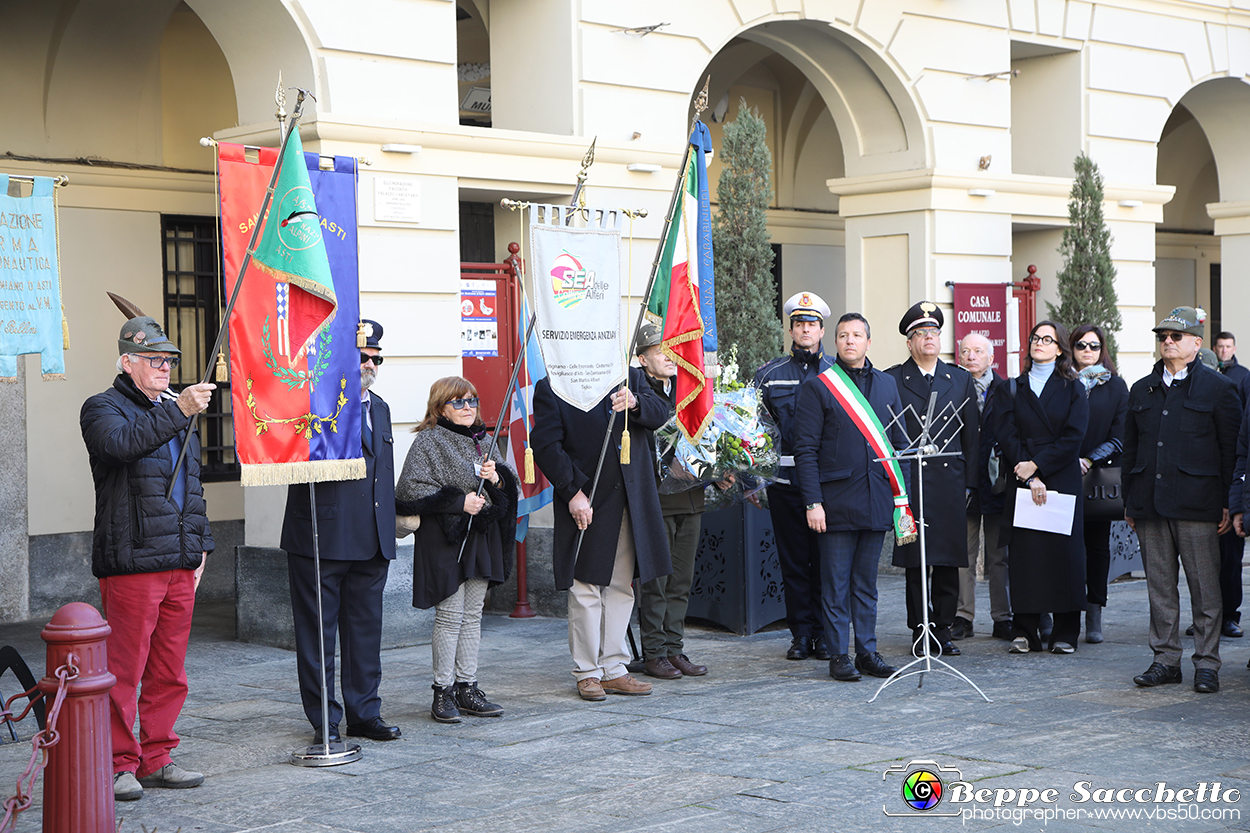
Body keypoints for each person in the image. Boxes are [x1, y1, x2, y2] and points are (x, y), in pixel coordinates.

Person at [80, 316, 215, 801]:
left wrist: (202, 544)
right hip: (135, 559)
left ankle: (157, 757)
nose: (164, 367)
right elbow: (121, 447)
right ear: (127, 362)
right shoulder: (103, 408)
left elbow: (191, 486)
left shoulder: (176, 411)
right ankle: (119, 763)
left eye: (169, 360)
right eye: (154, 359)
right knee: (124, 668)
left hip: (179, 558)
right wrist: (178, 408)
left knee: (169, 670)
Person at [280, 319, 401, 743]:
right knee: (317, 637)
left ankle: (364, 712)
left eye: (374, 358)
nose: (369, 364)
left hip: (370, 540)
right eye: (360, 357)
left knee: (365, 634)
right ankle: (325, 721)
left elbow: (379, 475)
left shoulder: (380, 407)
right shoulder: (314, 402)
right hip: (322, 536)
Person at [531, 363, 671, 701]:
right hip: (588, 498)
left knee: (622, 587)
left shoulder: (629, 374)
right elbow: (547, 444)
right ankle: (588, 672)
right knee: (585, 587)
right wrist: (572, 492)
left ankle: (614, 668)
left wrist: (635, 401)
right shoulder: (554, 382)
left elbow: (660, 412)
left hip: (629, 498)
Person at [1124, 307, 1241, 694]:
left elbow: (1231, 450)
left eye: (1176, 336)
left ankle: (1207, 664)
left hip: (1199, 504)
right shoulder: (1142, 388)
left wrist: (1228, 501)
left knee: (1205, 589)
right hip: (1151, 503)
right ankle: (1165, 660)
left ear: (1196, 343)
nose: (1168, 342)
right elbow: (1132, 449)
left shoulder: (1219, 389)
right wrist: (1130, 499)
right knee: (1160, 587)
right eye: (1163, 337)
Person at [396, 377, 518, 722]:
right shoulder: (429, 441)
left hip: (482, 536)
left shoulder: (485, 441)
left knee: (473, 616)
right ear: (440, 407)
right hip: (445, 538)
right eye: (459, 402)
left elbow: (510, 490)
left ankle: (468, 687)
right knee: (450, 616)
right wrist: (456, 501)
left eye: (473, 401)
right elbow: (409, 488)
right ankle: (443, 691)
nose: (468, 408)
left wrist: (497, 479)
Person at [793, 312, 906, 682]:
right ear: (835, 341)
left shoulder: (888, 385)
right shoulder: (819, 386)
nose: (850, 341)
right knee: (836, 584)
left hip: (876, 499)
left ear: (868, 342)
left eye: (857, 335)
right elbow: (805, 450)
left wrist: (900, 499)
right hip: (835, 502)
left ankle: (868, 652)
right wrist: (813, 502)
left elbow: (898, 443)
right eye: (843, 335)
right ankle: (839, 654)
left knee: (866, 584)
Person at [885, 303, 978, 658]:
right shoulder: (893, 378)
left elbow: (972, 435)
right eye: (920, 334)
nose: (928, 339)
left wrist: (970, 483)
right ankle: (919, 629)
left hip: (949, 483)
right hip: (911, 484)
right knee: (915, 561)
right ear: (909, 343)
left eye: (934, 333)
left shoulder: (960, 377)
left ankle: (943, 628)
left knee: (948, 560)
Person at [991, 320, 1089, 655]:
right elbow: (1005, 433)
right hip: (1022, 476)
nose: (1039, 343)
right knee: (1026, 556)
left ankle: (1065, 632)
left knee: (1064, 554)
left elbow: (1074, 436)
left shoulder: (1073, 387)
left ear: (1060, 348)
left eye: (1047, 339)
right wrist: (1029, 474)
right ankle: (1025, 631)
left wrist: (1041, 466)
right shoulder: (1011, 387)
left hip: (1061, 476)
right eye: (1035, 338)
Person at [753, 291, 834, 661]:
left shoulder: (838, 373)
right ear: (790, 329)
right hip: (785, 486)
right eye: (799, 323)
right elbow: (752, 432)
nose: (806, 329)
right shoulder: (769, 375)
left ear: (821, 330)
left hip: (830, 486)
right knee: (793, 562)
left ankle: (824, 634)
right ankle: (801, 635)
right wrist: (753, 480)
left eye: (812, 323)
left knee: (827, 563)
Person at [635, 323, 713, 680]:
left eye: (671, 349)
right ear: (642, 358)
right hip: (658, 501)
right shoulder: (636, 390)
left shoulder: (688, 388)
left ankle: (674, 648)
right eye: (659, 351)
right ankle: (654, 653)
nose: (668, 356)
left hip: (690, 497)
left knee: (681, 580)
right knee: (658, 581)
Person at [1070, 324, 1129, 644]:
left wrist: (1089, 459)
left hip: (1096, 476)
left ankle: (1095, 613)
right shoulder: (1062, 382)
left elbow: (1121, 435)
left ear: (1102, 348)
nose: (1087, 350)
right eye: (1081, 345)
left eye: (1093, 345)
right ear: (1072, 349)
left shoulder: (1116, 386)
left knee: (1096, 547)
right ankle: (1064, 611)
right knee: (1064, 547)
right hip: (1061, 472)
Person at [955, 333, 1012, 641]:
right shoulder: (953, 387)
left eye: (978, 351)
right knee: (963, 554)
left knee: (998, 555)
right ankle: (963, 617)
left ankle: (1003, 617)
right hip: (963, 481)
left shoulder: (1007, 389)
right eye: (966, 351)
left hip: (997, 482)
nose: (971, 356)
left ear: (992, 358)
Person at [1211, 331, 1247, 638]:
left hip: (1231, 485)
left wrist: (1235, 501)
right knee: (1206, 564)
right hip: (1205, 491)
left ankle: (1229, 615)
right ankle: (1208, 616)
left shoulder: (1242, 379)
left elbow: (1240, 444)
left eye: (1227, 346)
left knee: (1231, 561)